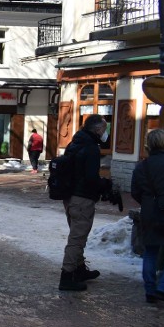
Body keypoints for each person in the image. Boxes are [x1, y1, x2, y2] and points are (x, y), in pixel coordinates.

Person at [58, 114, 111, 291]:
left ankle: (79, 269)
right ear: (97, 130)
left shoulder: (74, 143)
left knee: (77, 234)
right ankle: (66, 277)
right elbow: (90, 178)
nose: (105, 133)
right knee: (77, 238)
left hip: (70, 196)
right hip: (82, 198)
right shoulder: (91, 148)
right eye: (104, 129)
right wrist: (105, 185)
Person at [130, 128, 164, 304]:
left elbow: (135, 192)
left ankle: (150, 290)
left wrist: (148, 202)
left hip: (149, 212)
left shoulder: (142, 166)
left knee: (151, 251)